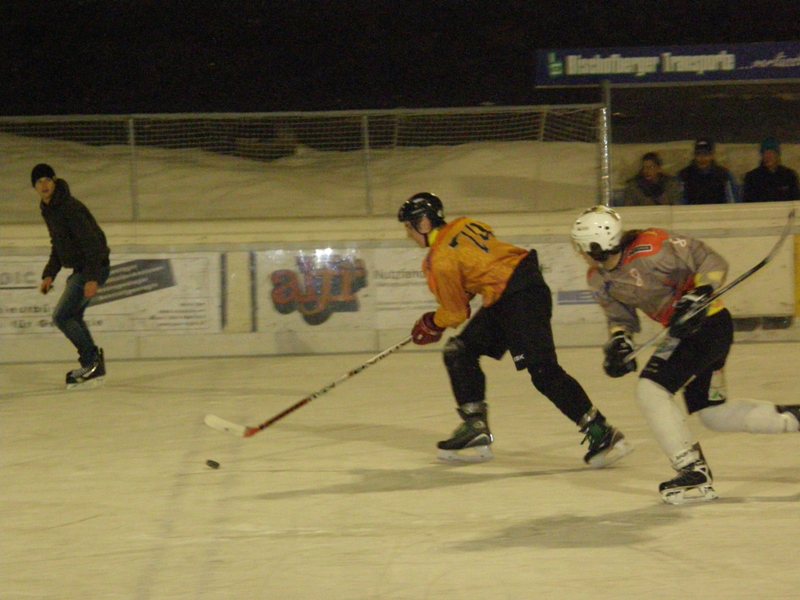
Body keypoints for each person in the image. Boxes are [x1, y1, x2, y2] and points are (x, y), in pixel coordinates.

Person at [570, 205, 800, 505]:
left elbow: (710, 260)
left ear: (595, 246)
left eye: (580, 246)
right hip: (689, 333)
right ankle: (794, 418)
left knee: (651, 389)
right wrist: (619, 341)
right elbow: (620, 318)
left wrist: (699, 293)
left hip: (709, 324)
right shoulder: (599, 278)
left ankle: (692, 470)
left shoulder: (652, 247)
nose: (579, 252)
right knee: (713, 414)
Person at [397, 192, 631, 466]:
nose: (408, 234)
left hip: (518, 296)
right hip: (511, 291)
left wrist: (431, 324)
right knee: (459, 350)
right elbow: (484, 264)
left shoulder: (439, 260)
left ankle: (601, 431)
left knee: (542, 370)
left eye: (409, 227)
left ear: (424, 223)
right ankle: (475, 427)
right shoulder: (465, 224)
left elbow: (456, 312)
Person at [32, 163, 111, 389]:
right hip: (84, 269)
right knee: (72, 316)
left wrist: (92, 277)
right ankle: (93, 366)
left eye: (48, 180)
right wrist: (49, 274)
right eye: (39, 182)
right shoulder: (50, 209)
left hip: (92, 268)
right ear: (34, 187)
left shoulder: (68, 207)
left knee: (62, 316)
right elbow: (59, 246)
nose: (44, 185)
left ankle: (92, 363)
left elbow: (92, 243)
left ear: (55, 181)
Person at [678, 139, 738, 204]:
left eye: (706, 154)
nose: (702, 158)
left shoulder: (724, 175)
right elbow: (679, 200)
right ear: (694, 155)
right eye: (698, 154)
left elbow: (732, 201)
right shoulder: (684, 175)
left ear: (712, 155)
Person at [742, 137, 800, 203]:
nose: (768, 156)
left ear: (778, 155)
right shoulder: (752, 178)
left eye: (771, 152)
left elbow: (796, 201)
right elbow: (747, 203)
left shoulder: (789, 176)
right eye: (765, 153)